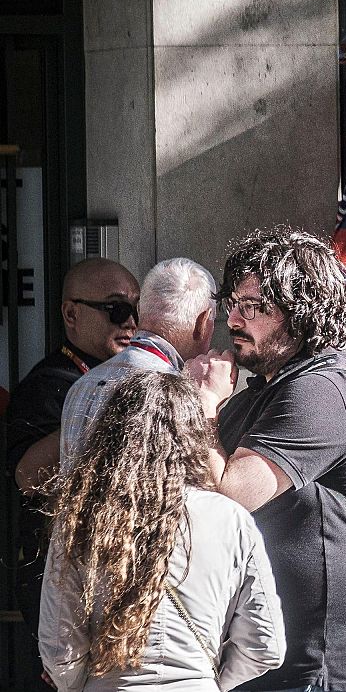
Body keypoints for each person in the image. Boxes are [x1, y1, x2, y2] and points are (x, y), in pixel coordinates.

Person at [203, 226, 346, 692]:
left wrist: (205, 404)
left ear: (301, 315)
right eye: (232, 302)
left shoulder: (321, 390)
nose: (233, 318)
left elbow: (227, 496)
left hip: (321, 664)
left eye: (253, 306)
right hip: (279, 656)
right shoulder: (272, 389)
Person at [39, 370, 285, 691]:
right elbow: (266, 646)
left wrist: (77, 685)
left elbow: (61, 646)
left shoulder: (83, 518)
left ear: (112, 436)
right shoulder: (231, 519)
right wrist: (207, 680)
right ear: (193, 436)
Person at [6, 256, 139, 690]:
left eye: (139, 309)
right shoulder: (49, 385)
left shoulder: (129, 376)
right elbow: (28, 474)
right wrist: (102, 413)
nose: (132, 321)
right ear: (71, 313)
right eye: (117, 309)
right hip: (58, 587)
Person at [60, 258, 219, 468]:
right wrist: (210, 404)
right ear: (202, 322)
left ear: (142, 309)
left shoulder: (81, 387)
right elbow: (194, 488)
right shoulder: (176, 394)